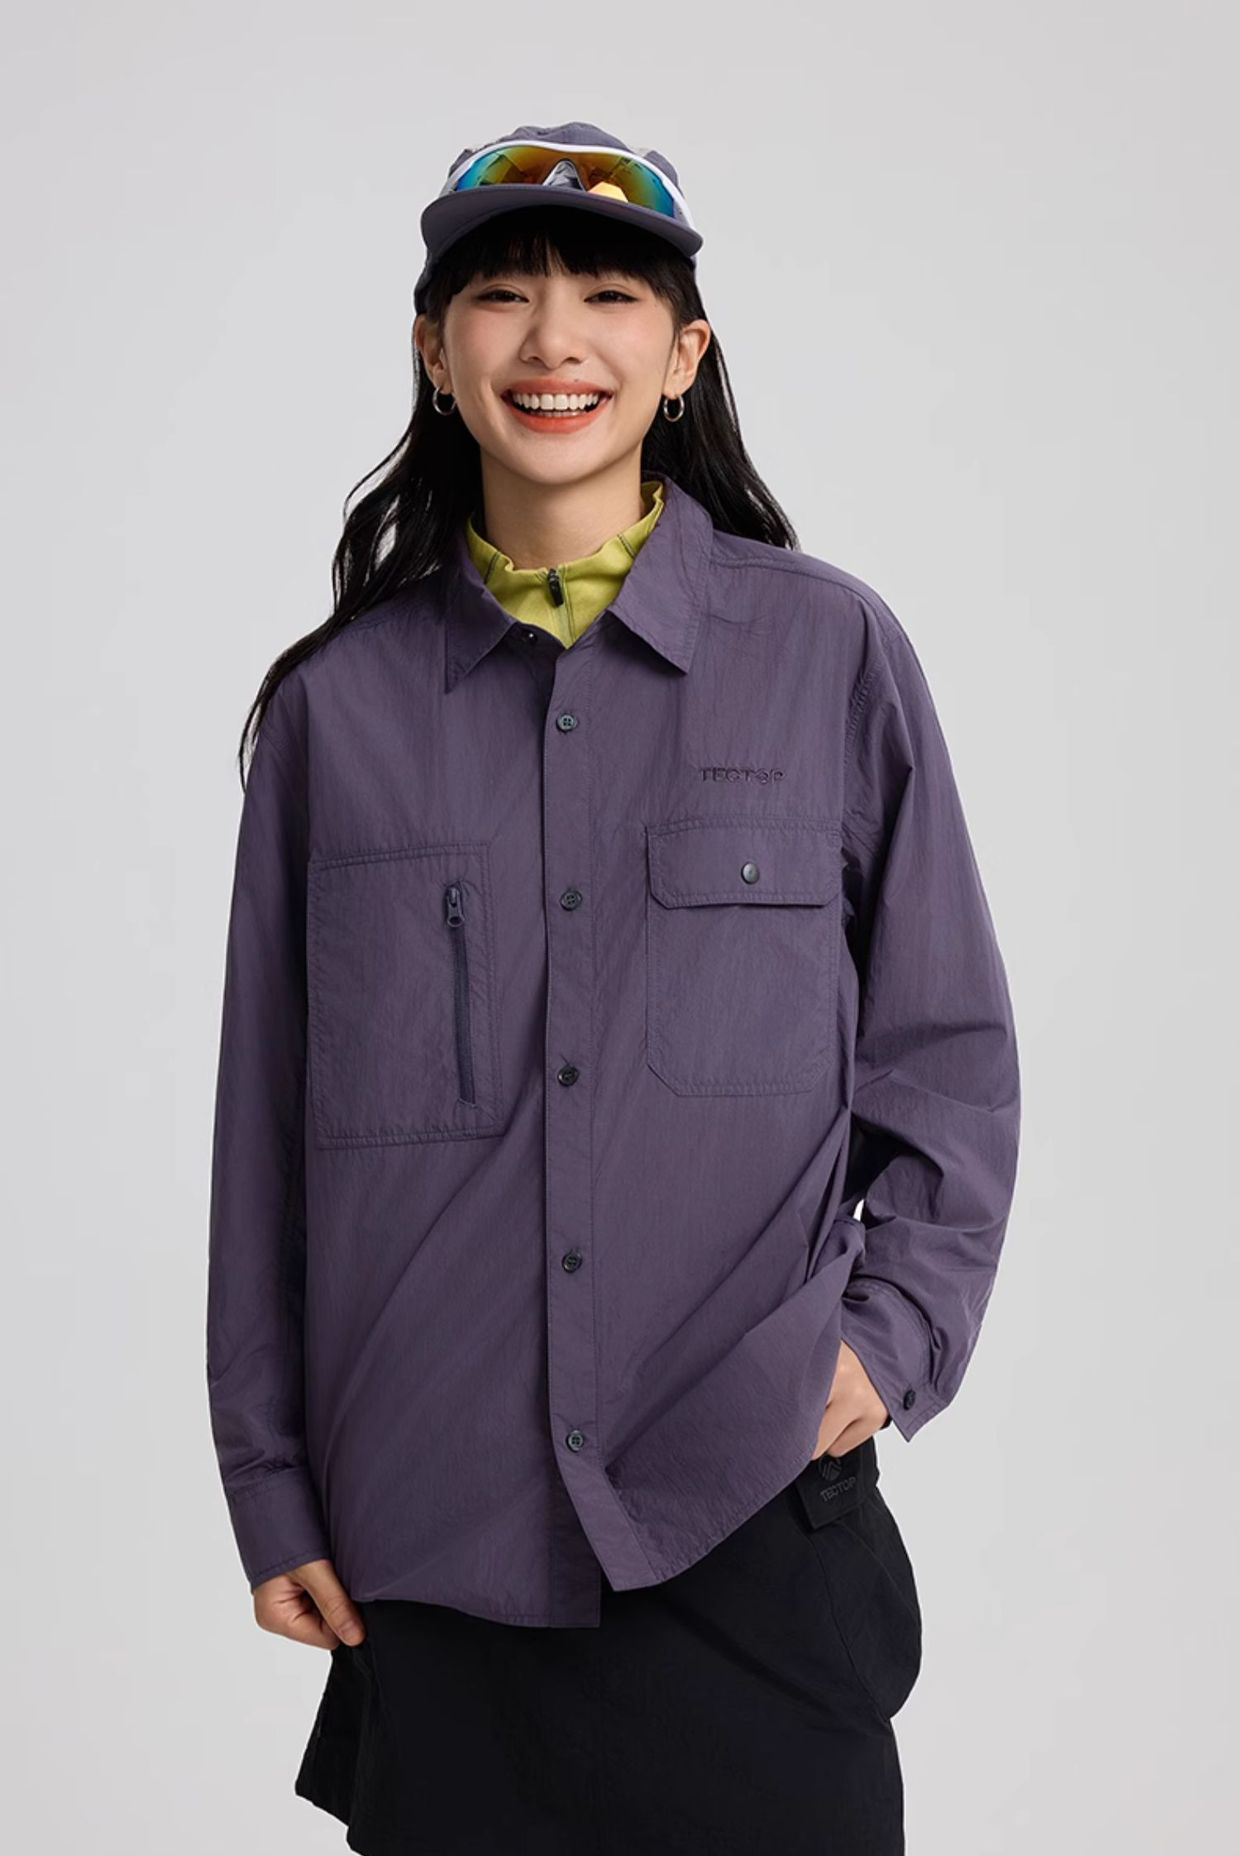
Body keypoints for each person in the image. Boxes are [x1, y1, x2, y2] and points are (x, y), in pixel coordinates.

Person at [205, 121, 1022, 1855]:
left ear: (683, 354)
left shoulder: (830, 654)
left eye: (608, 296)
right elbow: (264, 1139)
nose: (553, 338)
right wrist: (269, 1480)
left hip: (751, 1520)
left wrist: (883, 1343)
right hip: (437, 1544)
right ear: (435, 355)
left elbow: (946, 1060)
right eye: (501, 295)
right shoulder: (338, 714)